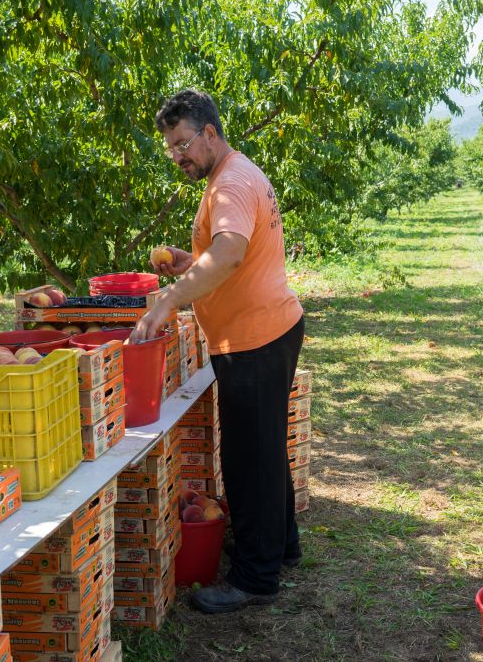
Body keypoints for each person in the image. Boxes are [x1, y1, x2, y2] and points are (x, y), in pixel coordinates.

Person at [132, 90, 305, 614]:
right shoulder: (237, 172)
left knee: (249, 459)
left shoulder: (229, 181)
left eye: (183, 143)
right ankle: (282, 547)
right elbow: (229, 252)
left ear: (211, 132)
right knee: (266, 448)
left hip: (254, 340)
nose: (178, 155)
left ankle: (255, 578)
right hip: (269, 329)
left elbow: (230, 252)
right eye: (170, 148)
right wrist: (191, 262)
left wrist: (166, 300)